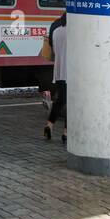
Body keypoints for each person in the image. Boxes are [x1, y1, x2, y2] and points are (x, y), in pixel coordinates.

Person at [43, 13, 68, 144]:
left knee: (60, 101)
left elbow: (52, 47)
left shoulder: (55, 27)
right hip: (72, 72)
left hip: (58, 71)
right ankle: (66, 133)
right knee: (72, 103)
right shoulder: (74, 30)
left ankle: (49, 125)